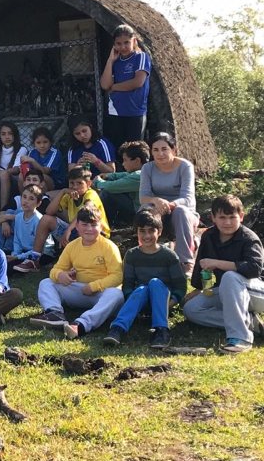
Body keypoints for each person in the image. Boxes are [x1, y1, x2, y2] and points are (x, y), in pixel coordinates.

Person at [183, 195, 264, 354]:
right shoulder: (209, 236)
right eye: (222, 217)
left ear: (241, 217)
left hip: (257, 291)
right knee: (192, 309)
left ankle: (240, 338)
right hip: (229, 290)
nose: (227, 222)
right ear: (213, 218)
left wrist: (218, 264)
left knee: (229, 276)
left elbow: (254, 269)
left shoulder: (249, 238)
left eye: (232, 217)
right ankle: (250, 322)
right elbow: (202, 263)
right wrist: (199, 288)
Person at [30, 204, 124, 339]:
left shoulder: (109, 247)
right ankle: (55, 313)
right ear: (77, 226)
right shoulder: (72, 246)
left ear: (101, 226)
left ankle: (82, 324)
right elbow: (56, 269)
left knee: (116, 294)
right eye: (85, 225)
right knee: (46, 283)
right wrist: (60, 275)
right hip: (79, 290)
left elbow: (117, 276)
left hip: (100, 293)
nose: (89, 229)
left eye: (94, 225)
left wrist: (93, 286)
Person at [104, 209, 185, 348]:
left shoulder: (169, 256)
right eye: (142, 231)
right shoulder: (131, 255)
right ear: (136, 233)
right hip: (141, 302)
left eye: (151, 231)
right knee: (141, 289)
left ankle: (161, 330)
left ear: (159, 231)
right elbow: (128, 285)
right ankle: (117, 328)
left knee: (155, 283)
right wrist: (137, 308)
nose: (147, 235)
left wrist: (168, 305)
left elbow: (181, 286)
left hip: (162, 302)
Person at [139, 132, 200, 274]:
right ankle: (145, 254)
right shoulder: (147, 168)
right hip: (158, 211)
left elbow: (187, 198)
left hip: (183, 213)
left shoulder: (185, 166)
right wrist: (156, 201)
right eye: (156, 150)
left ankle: (185, 261)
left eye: (164, 149)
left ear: (173, 150)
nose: (160, 154)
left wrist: (169, 205)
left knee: (181, 211)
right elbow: (143, 197)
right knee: (145, 209)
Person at [29, 166, 110, 273]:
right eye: (72, 183)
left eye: (79, 183)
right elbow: (49, 211)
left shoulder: (91, 194)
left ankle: (78, 264)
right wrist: (62, 192)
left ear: (88, 184)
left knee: (82, 227)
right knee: (46, 219)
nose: (75, 187)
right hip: (76, 229)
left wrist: (68, 230)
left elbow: (84, 212)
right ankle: (35, 259)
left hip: (96, 232)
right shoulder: (69, 195)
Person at [100, 24, 151, 152]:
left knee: (135, 151)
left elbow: (138, 82)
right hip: (116, 111)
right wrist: (110, 61)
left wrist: (116, 87)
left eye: (126, 43)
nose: (122, 47)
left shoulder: (140, 57)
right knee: (118, 150)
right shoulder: (115, 62)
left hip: (135, 111)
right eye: (118, 43)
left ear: (134, 41)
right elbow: (105, 85)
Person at [93, 140, 149, 227]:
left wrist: (98, 182)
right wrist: (108, 176)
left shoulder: (139, 176)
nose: (123, 164)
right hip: (140, 209)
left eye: (125, 160)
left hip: (141, 213)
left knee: (107, 193)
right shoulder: (145, 171)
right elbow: (124, 175)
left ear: (137, 160)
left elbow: (113, 187)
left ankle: (103, 225)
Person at [0, 169, 51, 254]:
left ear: (41, 184)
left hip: (31, 239)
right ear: (24, 183)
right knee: (9, 211)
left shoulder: (44, 201)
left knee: (15, 214)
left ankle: (7, 250)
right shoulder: (18, 199)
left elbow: (31, 218)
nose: (31, 182)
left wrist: (9, 217)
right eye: (28, 179)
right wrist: (4, 222)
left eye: (35, 180)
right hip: (17, 235)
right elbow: (1, 213)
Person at [8, 185, 55, 273]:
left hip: (41, 253)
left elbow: (39, 248)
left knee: (12, 268)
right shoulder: (18, 217)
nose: (26, 201)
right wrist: (15, 254)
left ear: (38, 203)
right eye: (24, 197)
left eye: (31, 199)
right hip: (25, 251)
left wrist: (18, 257)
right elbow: (17, 240)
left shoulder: (38, 220)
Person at [20, 126, 67, 192]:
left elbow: (45, 171)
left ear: (50, 142)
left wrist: (33, 161)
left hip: (56, 183)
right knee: (21, 175)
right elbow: (29, 170)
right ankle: (23, 197)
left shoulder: (55, 152)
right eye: (38, 143)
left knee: (40, 177)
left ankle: (43, 199)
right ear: (34, 144)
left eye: (45, 142)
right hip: (37, 178)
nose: (42, 146)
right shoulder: (32, 152)